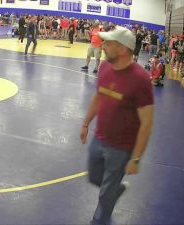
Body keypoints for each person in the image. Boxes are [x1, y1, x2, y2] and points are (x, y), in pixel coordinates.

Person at [79, 26, 154, 225]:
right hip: (99, 138)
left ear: (122, 49)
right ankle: (116, 190)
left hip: (122, 148)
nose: (102, 46)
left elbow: (147, 122)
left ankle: (99, 220)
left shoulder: (140, 79)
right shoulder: (104, 68)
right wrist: (86, 123)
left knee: (105, 195)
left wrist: (136, 158)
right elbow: (98, 96)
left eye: (108, 43)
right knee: (94, 177)